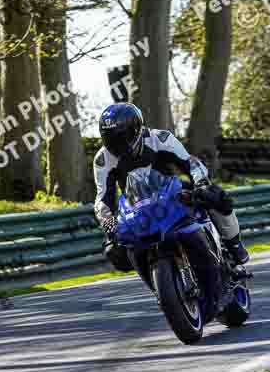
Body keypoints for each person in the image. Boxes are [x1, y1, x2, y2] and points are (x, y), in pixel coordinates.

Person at [93, 103, 250, 283]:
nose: (118, 144)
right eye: (111, 139)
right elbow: (103, 198)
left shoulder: (160, 138)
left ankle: (234, 245)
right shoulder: (103, 159)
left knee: (214, 196)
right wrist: (108, 221)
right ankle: (155, 278)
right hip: (137, 206)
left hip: (173, 193)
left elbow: (190, 163)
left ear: (136, 129)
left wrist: (201, 183)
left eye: (123, 137)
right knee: (114, 249)